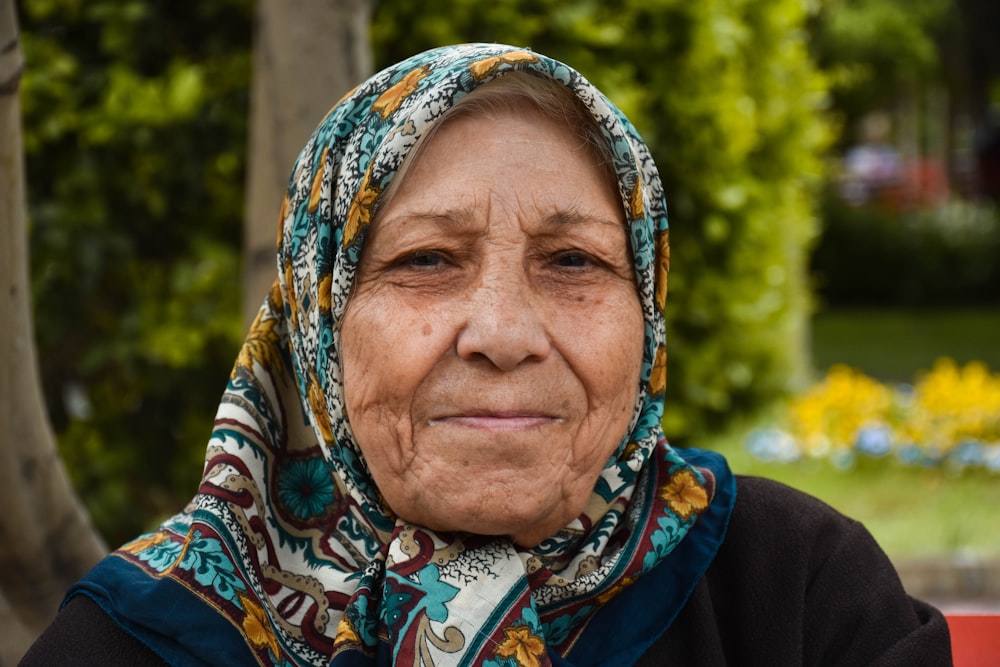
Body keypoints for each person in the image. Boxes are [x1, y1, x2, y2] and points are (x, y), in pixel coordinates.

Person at [21, 43, 951, 666]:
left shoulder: (792, 590)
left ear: (648, 319)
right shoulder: (139, 639)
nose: (503, 334)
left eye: (574, 261)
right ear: (317, 321)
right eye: (425, 260)